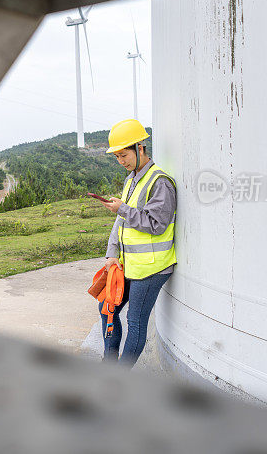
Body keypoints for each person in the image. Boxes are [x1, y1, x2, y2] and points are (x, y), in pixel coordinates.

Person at [97, 119, 177, 368]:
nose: (121, 161)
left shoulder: (160, 182)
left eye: (124, 155)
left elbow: (156, 224)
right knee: (106, 308)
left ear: (140, 148)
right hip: (129, 264)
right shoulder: (131, 179)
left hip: (152, 268)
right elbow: (122, 221)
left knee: (136, 321)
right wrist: (112, 253)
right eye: (117, 157)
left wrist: (123, 209)